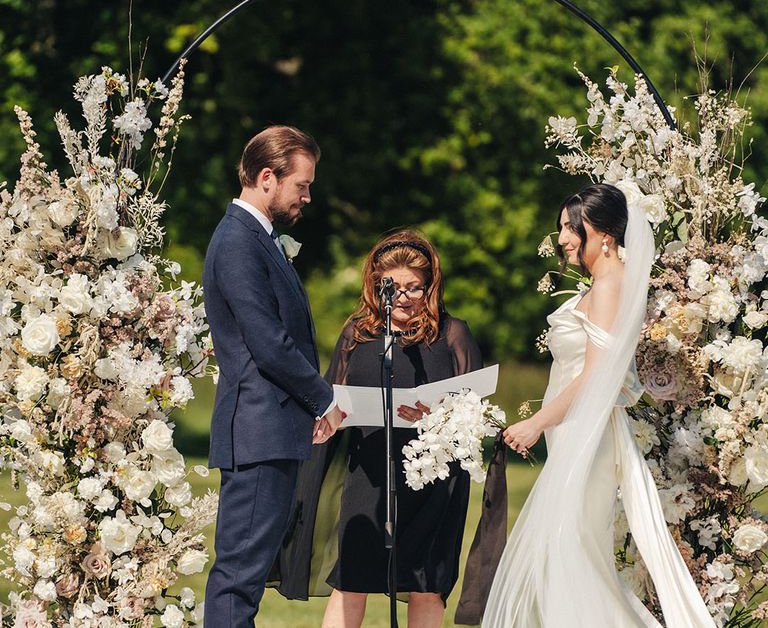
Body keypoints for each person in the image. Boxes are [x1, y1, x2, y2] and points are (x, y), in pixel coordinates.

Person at [482, 183, 715, 627]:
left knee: (569, 554)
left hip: (586, 436)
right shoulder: (602, 283)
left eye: (572, 228)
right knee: (570, 555)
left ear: (604, 233)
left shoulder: (609, 285)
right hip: (575, 433)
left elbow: (596, 376)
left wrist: (536, 423)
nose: (563, 239)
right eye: (562, 230)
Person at [272, 230, 482, 628]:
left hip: (434, 481)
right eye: (391, 287)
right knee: (353, 576)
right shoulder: (358, 334)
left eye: (414, 288)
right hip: (369, 471)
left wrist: (440, 415)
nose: (402, 297)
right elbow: (332, 396)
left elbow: (473, 408)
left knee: (426, 581)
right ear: (375, 285)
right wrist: (327, 418)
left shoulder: (453, 334)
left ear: (430, 286)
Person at [202, 125, 344, 627]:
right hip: (258, 432)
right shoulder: (239, 241)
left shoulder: (256, 238)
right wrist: (323, 399)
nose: (307, 196)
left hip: (271, 432)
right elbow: (267, 342)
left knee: (248, 572)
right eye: (301, 185)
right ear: (267, 177)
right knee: (239, 577)